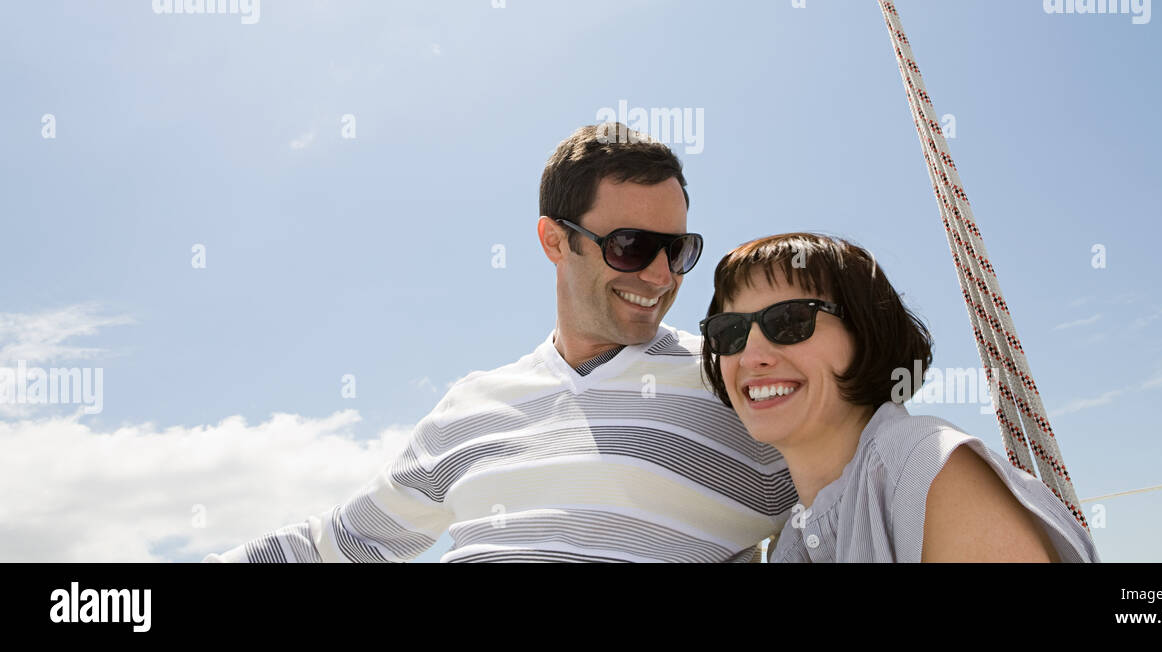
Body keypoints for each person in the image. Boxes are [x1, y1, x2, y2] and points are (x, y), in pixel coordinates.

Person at [204, 123, 796, 562]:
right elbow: (344, 544)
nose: (662, 276)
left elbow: (859, 492)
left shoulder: (737, 382)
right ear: (554, 241)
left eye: (678, 250)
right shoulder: (472, 406)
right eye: (631, 247)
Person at [698, 232, 1100, 563]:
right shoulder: (792, 543)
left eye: (790, 321)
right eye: (729, 333)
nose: (751, 357)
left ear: (865, 332)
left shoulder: (925, 467)